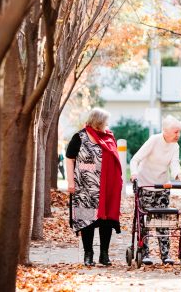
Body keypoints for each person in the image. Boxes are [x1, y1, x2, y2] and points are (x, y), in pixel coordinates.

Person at [66, 108, 123, 266]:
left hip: (107, 187)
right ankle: (88, 254)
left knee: (106, 221)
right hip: (85, 188)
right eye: (104, 123)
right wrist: (70, 182)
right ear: (97, 124)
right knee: (87, 221)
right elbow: (69, 159)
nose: (107, 125)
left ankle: (104, 254)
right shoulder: (79, 137)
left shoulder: (109, 136)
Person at [130, 115, 181, 265]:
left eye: (179, 132)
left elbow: (174, 164)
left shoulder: (175, 146)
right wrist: (134, 174)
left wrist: (179, 175)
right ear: (166, 131)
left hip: (162, 186)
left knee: (162, 221)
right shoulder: (154, 140)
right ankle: (145, 253)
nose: (178, 135)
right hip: (146, 185)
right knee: (145, 220)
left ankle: (165, 255)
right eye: (176, 132)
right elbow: (135, 159)